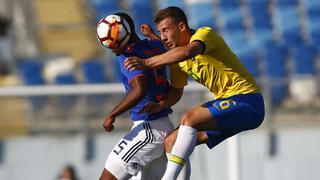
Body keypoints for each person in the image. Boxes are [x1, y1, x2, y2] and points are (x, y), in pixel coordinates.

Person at [124, 6, 265, 180]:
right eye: (160, 32)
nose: (163, 37)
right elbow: (176, 91)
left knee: (189, 118)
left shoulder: (204, 35)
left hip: (247, 100)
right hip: (233, 109)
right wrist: (160, 105)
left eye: (166, 30)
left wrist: (146, 62)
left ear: (182, 27)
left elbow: (187, 51)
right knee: (171, 142)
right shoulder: (180, 62)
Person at [97, 12, 189, 180]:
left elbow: (139, 89)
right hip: (163, 126)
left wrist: (112, 115)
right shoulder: (153, 45)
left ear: (126, 33)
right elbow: (165, 49)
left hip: (148, 129)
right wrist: (153, 35)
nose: (113, 48)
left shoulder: (129, 56)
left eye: (114, 43)